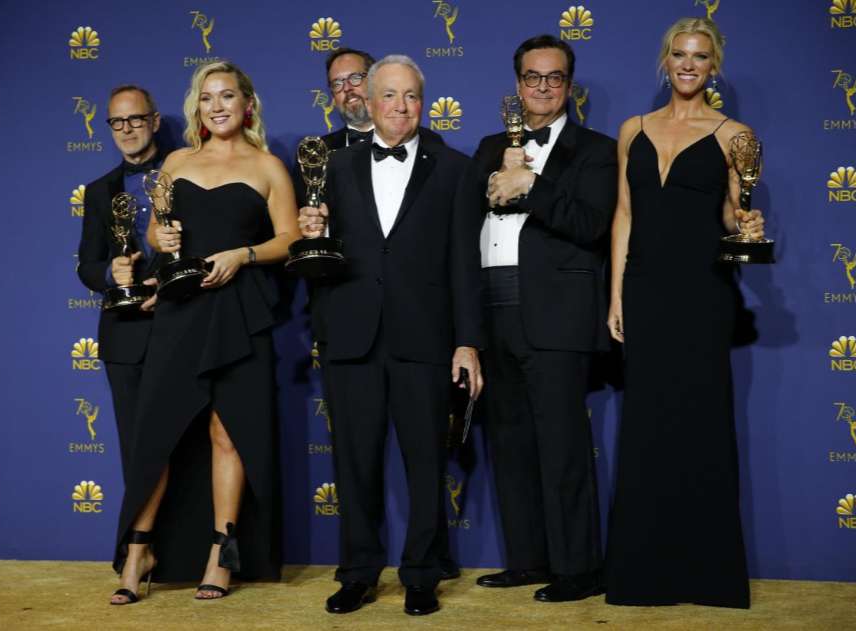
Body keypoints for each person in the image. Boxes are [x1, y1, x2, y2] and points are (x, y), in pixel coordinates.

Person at [298, 54, 484, 616]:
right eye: (390, 95)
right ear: (368, 101)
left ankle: (422, 573)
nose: (401, 107)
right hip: (351, 336)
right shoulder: (334, 166)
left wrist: (467, 341)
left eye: (411, 96)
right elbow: (318, 258)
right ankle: (358, 572)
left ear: (422, 103)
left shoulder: (454, 168)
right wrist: (312, 233)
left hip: (424, 337)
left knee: (426, 462)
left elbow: (464, 262)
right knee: (354, 463)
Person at [109, 61, 299, 604]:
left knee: (227, 433)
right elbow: (155, 229)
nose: (217, 106)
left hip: (239, 312)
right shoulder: (175, 161)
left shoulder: (268, 167)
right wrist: (161, 238)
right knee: (159, 433)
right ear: (198, 108)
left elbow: (289, 239)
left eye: (227, 96)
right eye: (208, 97)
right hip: (182, 308)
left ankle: (222, 554)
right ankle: (140, 549)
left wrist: (243, 255)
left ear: (247, 105)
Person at [604, 17, 763, 609]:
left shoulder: (734, 135)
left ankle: (707, 575)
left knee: (700, 422)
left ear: (713, 65)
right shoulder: (633, 129)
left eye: (699, 56)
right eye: (679, 54)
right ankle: (642, 574)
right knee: (646, 427)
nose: (689, 64)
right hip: (644, 290)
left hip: (702, 293)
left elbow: (731, 213)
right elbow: (625, 213)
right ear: (665, 61)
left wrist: (747, 223)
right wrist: (616, 294)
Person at [471, 35, 616, 603]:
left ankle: (578, 568)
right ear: (518, 84)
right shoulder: (489, 147)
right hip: (493, 309)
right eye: (533, 77)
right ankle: (528, 559)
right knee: (509, 442)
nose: (543, 87)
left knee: (562, 445)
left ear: (569, 86)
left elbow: (592, 224)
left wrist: (532, 185)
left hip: (557, 315)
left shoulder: (595, 150)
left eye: (554, 78)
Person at [77, 85, 166, 480]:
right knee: (137, 451)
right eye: (117, 121)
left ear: (155, 121)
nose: (126, 129)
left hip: (182, 323)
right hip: (125, 336)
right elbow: (87, 265)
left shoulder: (187, 174)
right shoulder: (98, 192)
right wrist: (111, 274)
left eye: (135, 119)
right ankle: (141, 525)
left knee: (191, 446)